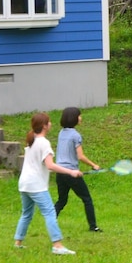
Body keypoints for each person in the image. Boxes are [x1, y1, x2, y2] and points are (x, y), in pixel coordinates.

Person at [13, 112, 82, 254]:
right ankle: (57, 245)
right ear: (44, 126)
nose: (51, 124)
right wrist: (71, 172)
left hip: (24, 183)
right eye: (49, 122)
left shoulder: (31, 141)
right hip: (35, 185)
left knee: (26, 213)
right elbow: (50, 165)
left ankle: (18, 242)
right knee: (50, 212)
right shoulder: (43, 143)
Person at [53, 106, 102, 232]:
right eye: (79, 115)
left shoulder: (61, 132)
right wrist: (94, 165)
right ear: (73, 118)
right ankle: (93, 226)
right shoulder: (76, 135)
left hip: (60, 171)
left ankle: (51, 221)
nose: (81, 118)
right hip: (71, 173)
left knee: (62, 200)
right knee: (87, 199)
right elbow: (80, 156)